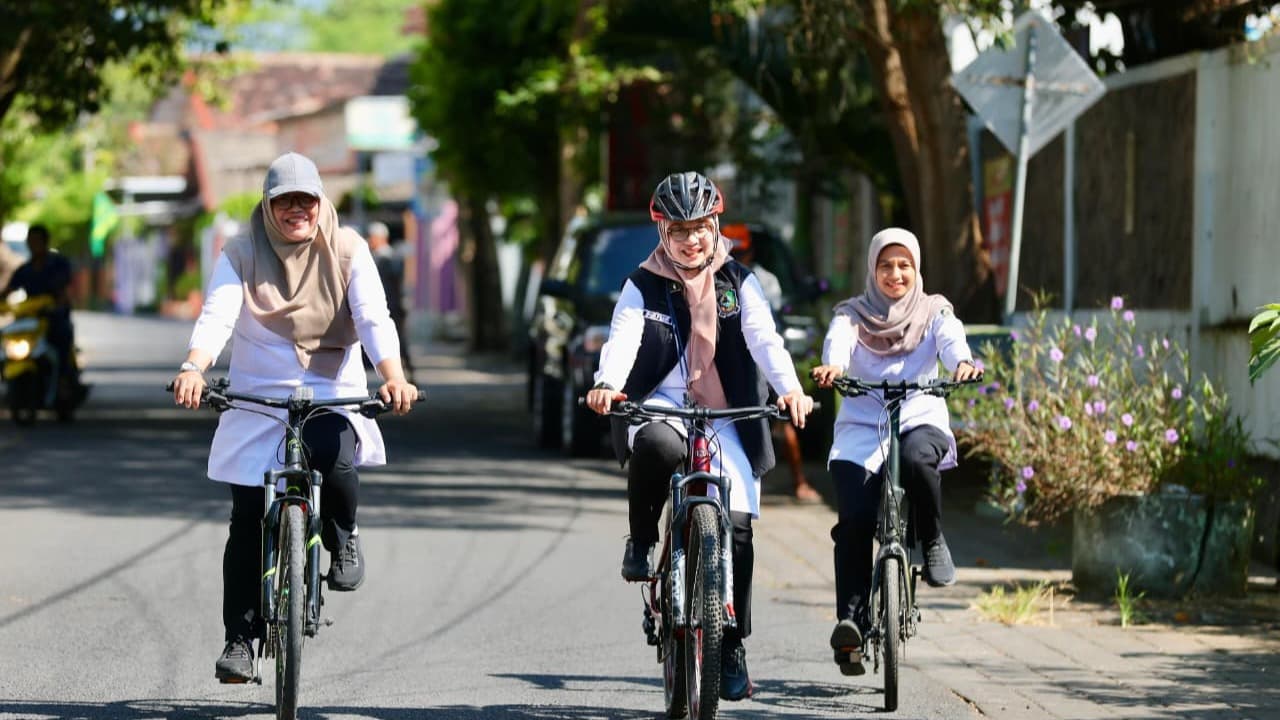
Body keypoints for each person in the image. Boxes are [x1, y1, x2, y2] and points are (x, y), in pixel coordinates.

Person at [170, 152, 419, 683]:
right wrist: (194, 367)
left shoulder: (349, 248)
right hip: (258, 393)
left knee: (334, 453)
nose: (296, 210)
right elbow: (217, 315)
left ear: (320, 201)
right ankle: (239, 641)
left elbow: (375, 318)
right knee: (243, 519)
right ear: (268, 205)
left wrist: (393, 376)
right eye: (284, 200)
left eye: (306, 199)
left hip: (331, 386)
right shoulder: (240, 252)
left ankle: (343, 533)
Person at [585, 171, 814, 701]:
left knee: (736, 525)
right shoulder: (642, 283)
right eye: (679, 230)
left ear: (715, 226)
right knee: (658, 446)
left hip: (726, 412)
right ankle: (642, 539)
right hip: (661, 403)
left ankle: (731, 641)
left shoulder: (741, 281)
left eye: (700, 228)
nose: (692, 240)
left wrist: (792, 390)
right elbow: (623, 338)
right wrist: (607, 384)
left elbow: (765, 340)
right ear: (662, 233)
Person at [811, 227, 982, 676]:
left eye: (904, 264)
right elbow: (840, 340)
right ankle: (851, 621)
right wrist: (834, 366)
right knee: (854, 521)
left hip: (919, 416)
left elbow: (950, 338)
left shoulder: (933, 309)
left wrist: (961, 361)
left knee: (916, 458)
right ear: (872, 269)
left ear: (917, 268)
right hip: (862, 427)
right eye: (885, 265)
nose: (895, 273)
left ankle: (931, 538)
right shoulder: (853, 313)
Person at [725, 228, 821, 503]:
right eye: (733, 252)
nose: (737, 257)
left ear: (751, 251)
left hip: (763, 357)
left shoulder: (761, 281)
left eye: (741, 252)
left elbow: (764, 333)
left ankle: (799, 481)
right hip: (730, 361)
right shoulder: (711, 275)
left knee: (785, 419)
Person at [2, 223, 87, 398]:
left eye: (37, 241)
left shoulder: (58, 264)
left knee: (63, 335)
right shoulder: (25, 269)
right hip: (31, 319)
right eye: (31, 241)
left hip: (54, 317)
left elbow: (66, 289)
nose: (34, 245)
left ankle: (63, 380)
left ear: (45, 242)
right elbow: (8, 290)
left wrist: (58, 303)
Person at [366, 221, 414, 383]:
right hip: (384, 307)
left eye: (372, 237)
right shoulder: (374, 257)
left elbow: (395, 285)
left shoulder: (390, 257)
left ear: (381, 238)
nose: (369, 241)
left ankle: (405, 375)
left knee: (398, 341)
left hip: (393, 306)